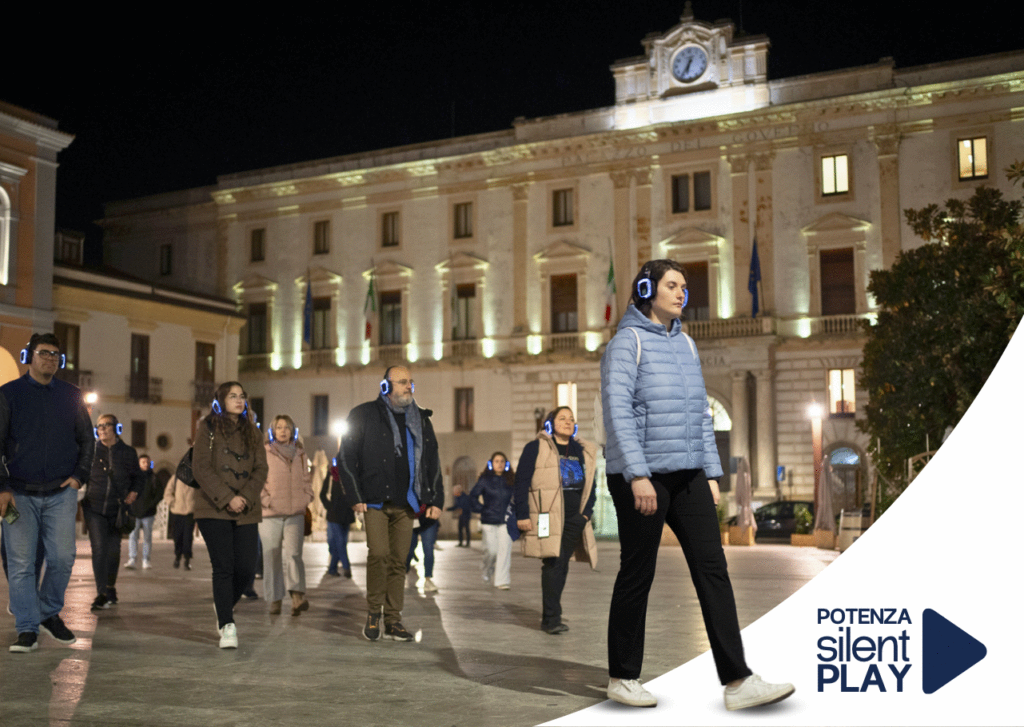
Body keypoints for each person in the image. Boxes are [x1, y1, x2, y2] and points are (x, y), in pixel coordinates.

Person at [601, 259, 795, 710]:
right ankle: (623, 676)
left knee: (713, 570)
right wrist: (638, 475)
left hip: (688, 474)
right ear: (646, 289)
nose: (682, 293)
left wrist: (710, 472)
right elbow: (618, 412)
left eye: (684, 286)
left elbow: (701, 415)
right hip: (643, 476)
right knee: (637, 573)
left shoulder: (687, 344)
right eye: (672, 285)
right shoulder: (626, 343)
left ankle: (738, 681)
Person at [0, 332, 94, 653]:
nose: (51, 359)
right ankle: (27, 628)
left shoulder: (71, 395)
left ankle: (48, 612)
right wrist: (2, 487)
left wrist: (79, 476)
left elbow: (87, 440)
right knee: (21, 564)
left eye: (56, 354)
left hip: (60, 492)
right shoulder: (9, 394)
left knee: (63, 558)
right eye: (44, 353)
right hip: (19, 493)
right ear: (30, 356)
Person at [338, 365, 443, 642]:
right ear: (385, 387)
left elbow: (432, 460)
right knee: (379, 554)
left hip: (407, 502)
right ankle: (374, 613)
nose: (409, 387)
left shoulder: (421, 419)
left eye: (411, 382)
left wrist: (435, 498)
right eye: (402, 382)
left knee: (399, 561)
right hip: (375, 501)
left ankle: (393, 620)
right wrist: (355, 497)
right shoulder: (363, 415)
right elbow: (346, 457)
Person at [192, 381, 268, 649]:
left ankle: (223, 604)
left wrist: (244, 497)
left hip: (246, 508)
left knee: (247, 567)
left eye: (242, 396)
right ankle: (227, 625)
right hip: (213, 507)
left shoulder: (254, 431)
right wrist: (227, 498)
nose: (239, 400)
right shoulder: (208, 427)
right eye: (232, 396)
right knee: (223, 566)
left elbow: (261, 468)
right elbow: (200, 467)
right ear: (221, 401)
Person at [514, 407, 597, 635]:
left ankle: (553, 615)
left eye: (571, 419)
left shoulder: (581, 451)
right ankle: (551, 618)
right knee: (553, 563)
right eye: (562, 418)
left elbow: (591, 485)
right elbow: (521, 482)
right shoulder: (536, 448)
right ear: (550, 424)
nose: (568, 422)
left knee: (561, 565)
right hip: (546, 517)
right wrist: (522, 515)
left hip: (574, 519)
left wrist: (585, 514)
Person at [82, 414, 144, 610]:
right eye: (99, 426)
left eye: (106, 425)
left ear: (116, 428)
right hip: (94, 508)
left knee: (113, 550)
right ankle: (101, 593)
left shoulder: (128, 452)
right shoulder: (91, 450)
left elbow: (138, 478)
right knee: (99, 548)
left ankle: (110, 588)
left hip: (117, 509)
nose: (101, 429)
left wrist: (134, 491)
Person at [259, 414, 313, 616]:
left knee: (294, 555)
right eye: (279, 427)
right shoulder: (264, 452)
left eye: (287, 427)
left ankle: (297, 598)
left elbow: (306, 479)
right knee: (271, 556)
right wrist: (266, 500)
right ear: (272, 431)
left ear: (292, 431)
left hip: (295, 513)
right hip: (270, 514)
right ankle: (275, 600)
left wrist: (306, 497)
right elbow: (257, 480)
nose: (283, 431)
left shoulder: (300, 453)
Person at [469, 452, 515, 590]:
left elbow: (519, 499)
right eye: (496, 461)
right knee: (491, 551)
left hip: (506, 521)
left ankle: (502, 581)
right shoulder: (484, 480)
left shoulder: (512, 480)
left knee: (504, 551)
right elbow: (473, 496)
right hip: (488, 520)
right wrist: (481, 509)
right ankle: (487, 569)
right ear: (491, 463)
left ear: (506, 464)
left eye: (502, 461)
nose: (499, 464)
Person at [125, 454, 161, 570]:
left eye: (147, 462)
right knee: (132, 536)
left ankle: (146, 560)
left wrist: (151, 504)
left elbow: (159, 494)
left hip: (148, 513)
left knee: (147, 537)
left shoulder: (153, 477)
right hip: (134, 512)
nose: (145, 464)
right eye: (143, 462)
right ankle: (132, 559)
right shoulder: (132, 477)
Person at [320, 460, 354, 578]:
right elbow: (322, 494)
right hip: (334, 515)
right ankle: (346, 567)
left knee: (339, 544)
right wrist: (329, 506)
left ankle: (332, 569)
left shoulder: (350, 476)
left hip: (347, 515)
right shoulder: (331, 476)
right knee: (340, 542)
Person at [163, 471, 196, 569]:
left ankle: (187, 559)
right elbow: (168, 492)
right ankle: (177, 556)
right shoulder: (176, 478)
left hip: (190, 512)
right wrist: (172, 502)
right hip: (177, 511)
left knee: (188, 536)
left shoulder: (196, 478)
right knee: (177, 536)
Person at [404, 514, 439, 592]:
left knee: (428, 549)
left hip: (428, 519)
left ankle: (428, 579)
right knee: (409, 550)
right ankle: (405, 570)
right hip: (411, 519)